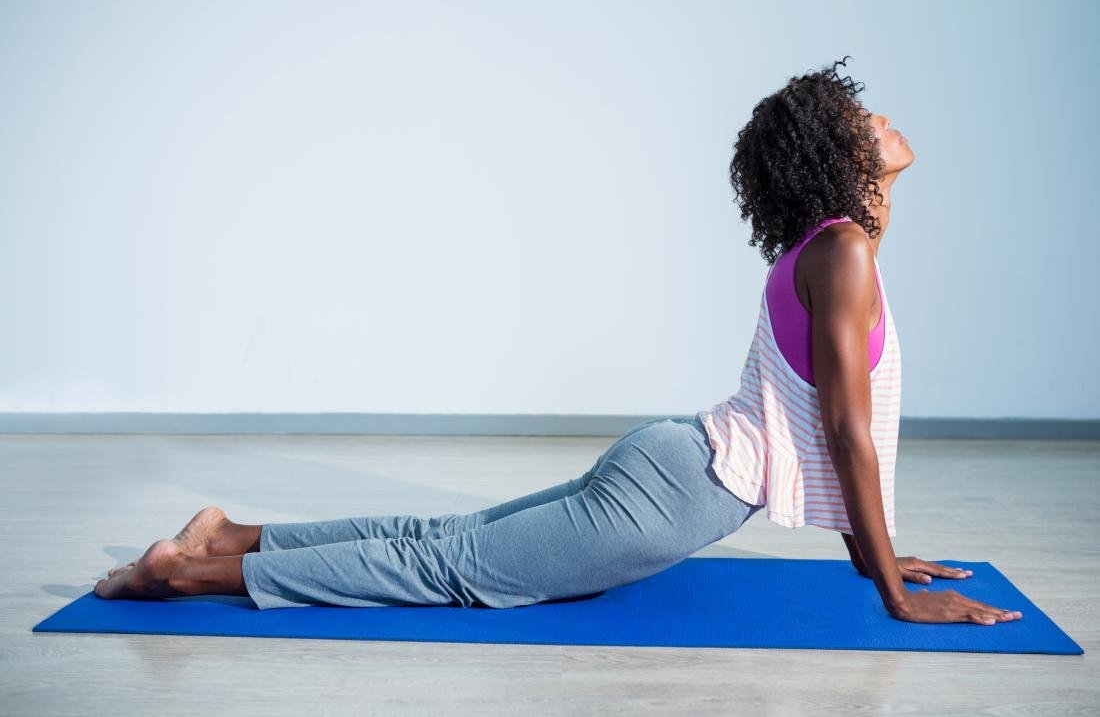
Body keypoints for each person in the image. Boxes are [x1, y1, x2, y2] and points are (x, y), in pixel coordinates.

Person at [95, 56, 1022, 626]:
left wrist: (874, 553)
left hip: (673, 462)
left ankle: (230, 533)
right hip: (678, 492)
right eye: (864, 120)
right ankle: (186, 574)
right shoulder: (845, 251)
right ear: (839, 154)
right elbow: (848, 433)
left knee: (444, 537)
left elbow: (834, 417)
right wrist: (892, 594)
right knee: (450, 568)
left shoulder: (832, 249)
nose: (885, 120)